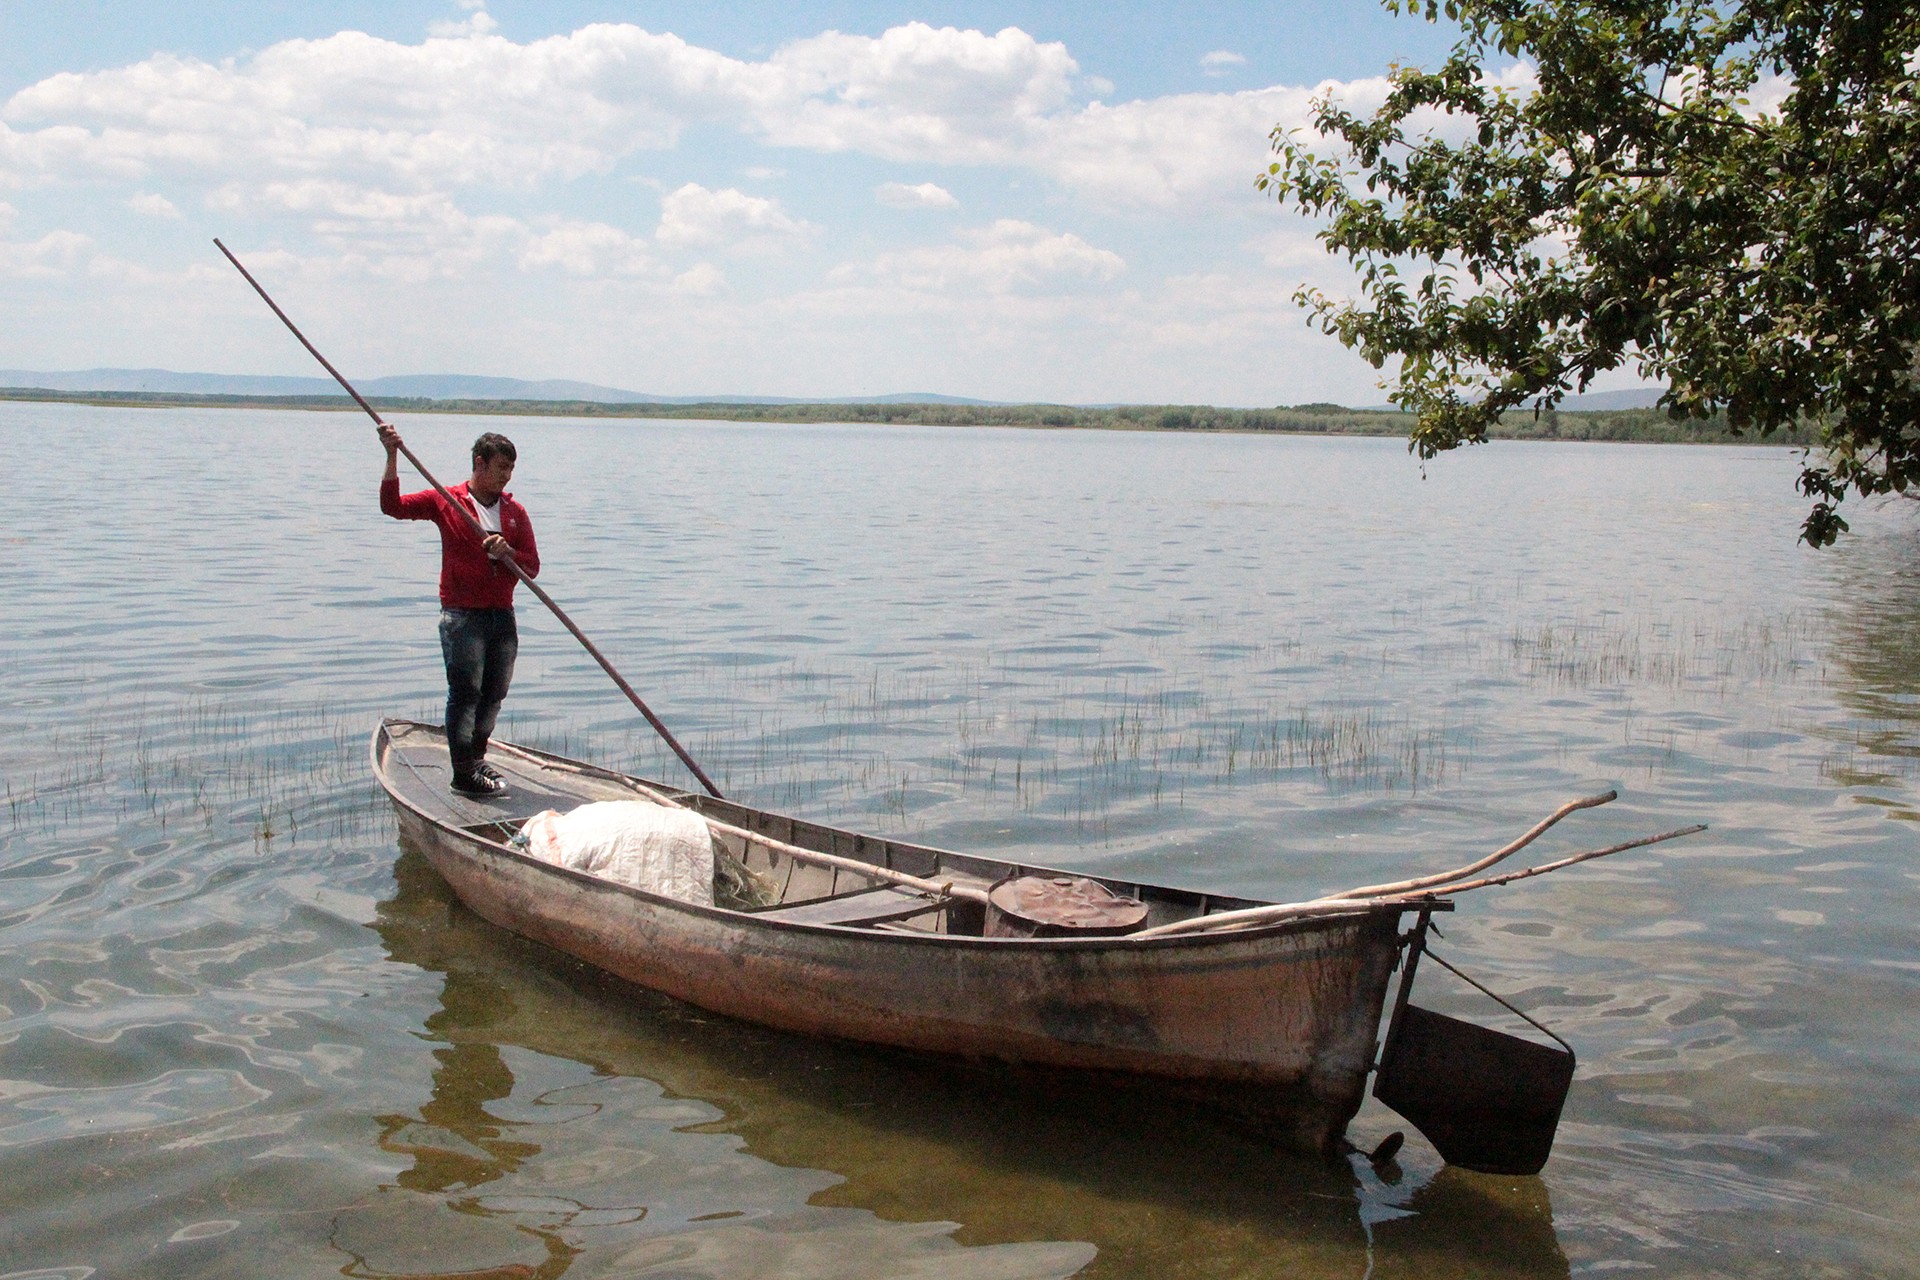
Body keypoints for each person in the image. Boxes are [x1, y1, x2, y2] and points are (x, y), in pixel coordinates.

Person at [378, 424, 540, 798]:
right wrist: (392, 456)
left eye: (511, 470)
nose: (507, 476)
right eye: (501, 468)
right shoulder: (447, 501)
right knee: (466, 693)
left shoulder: (514, 513)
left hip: (502, 615)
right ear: (479, 464)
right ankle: (461, 772)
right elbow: (393, 507)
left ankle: (476, 757)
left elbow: (532, 566)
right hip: (462, 616)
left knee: (494, 693)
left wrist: (509, 554)